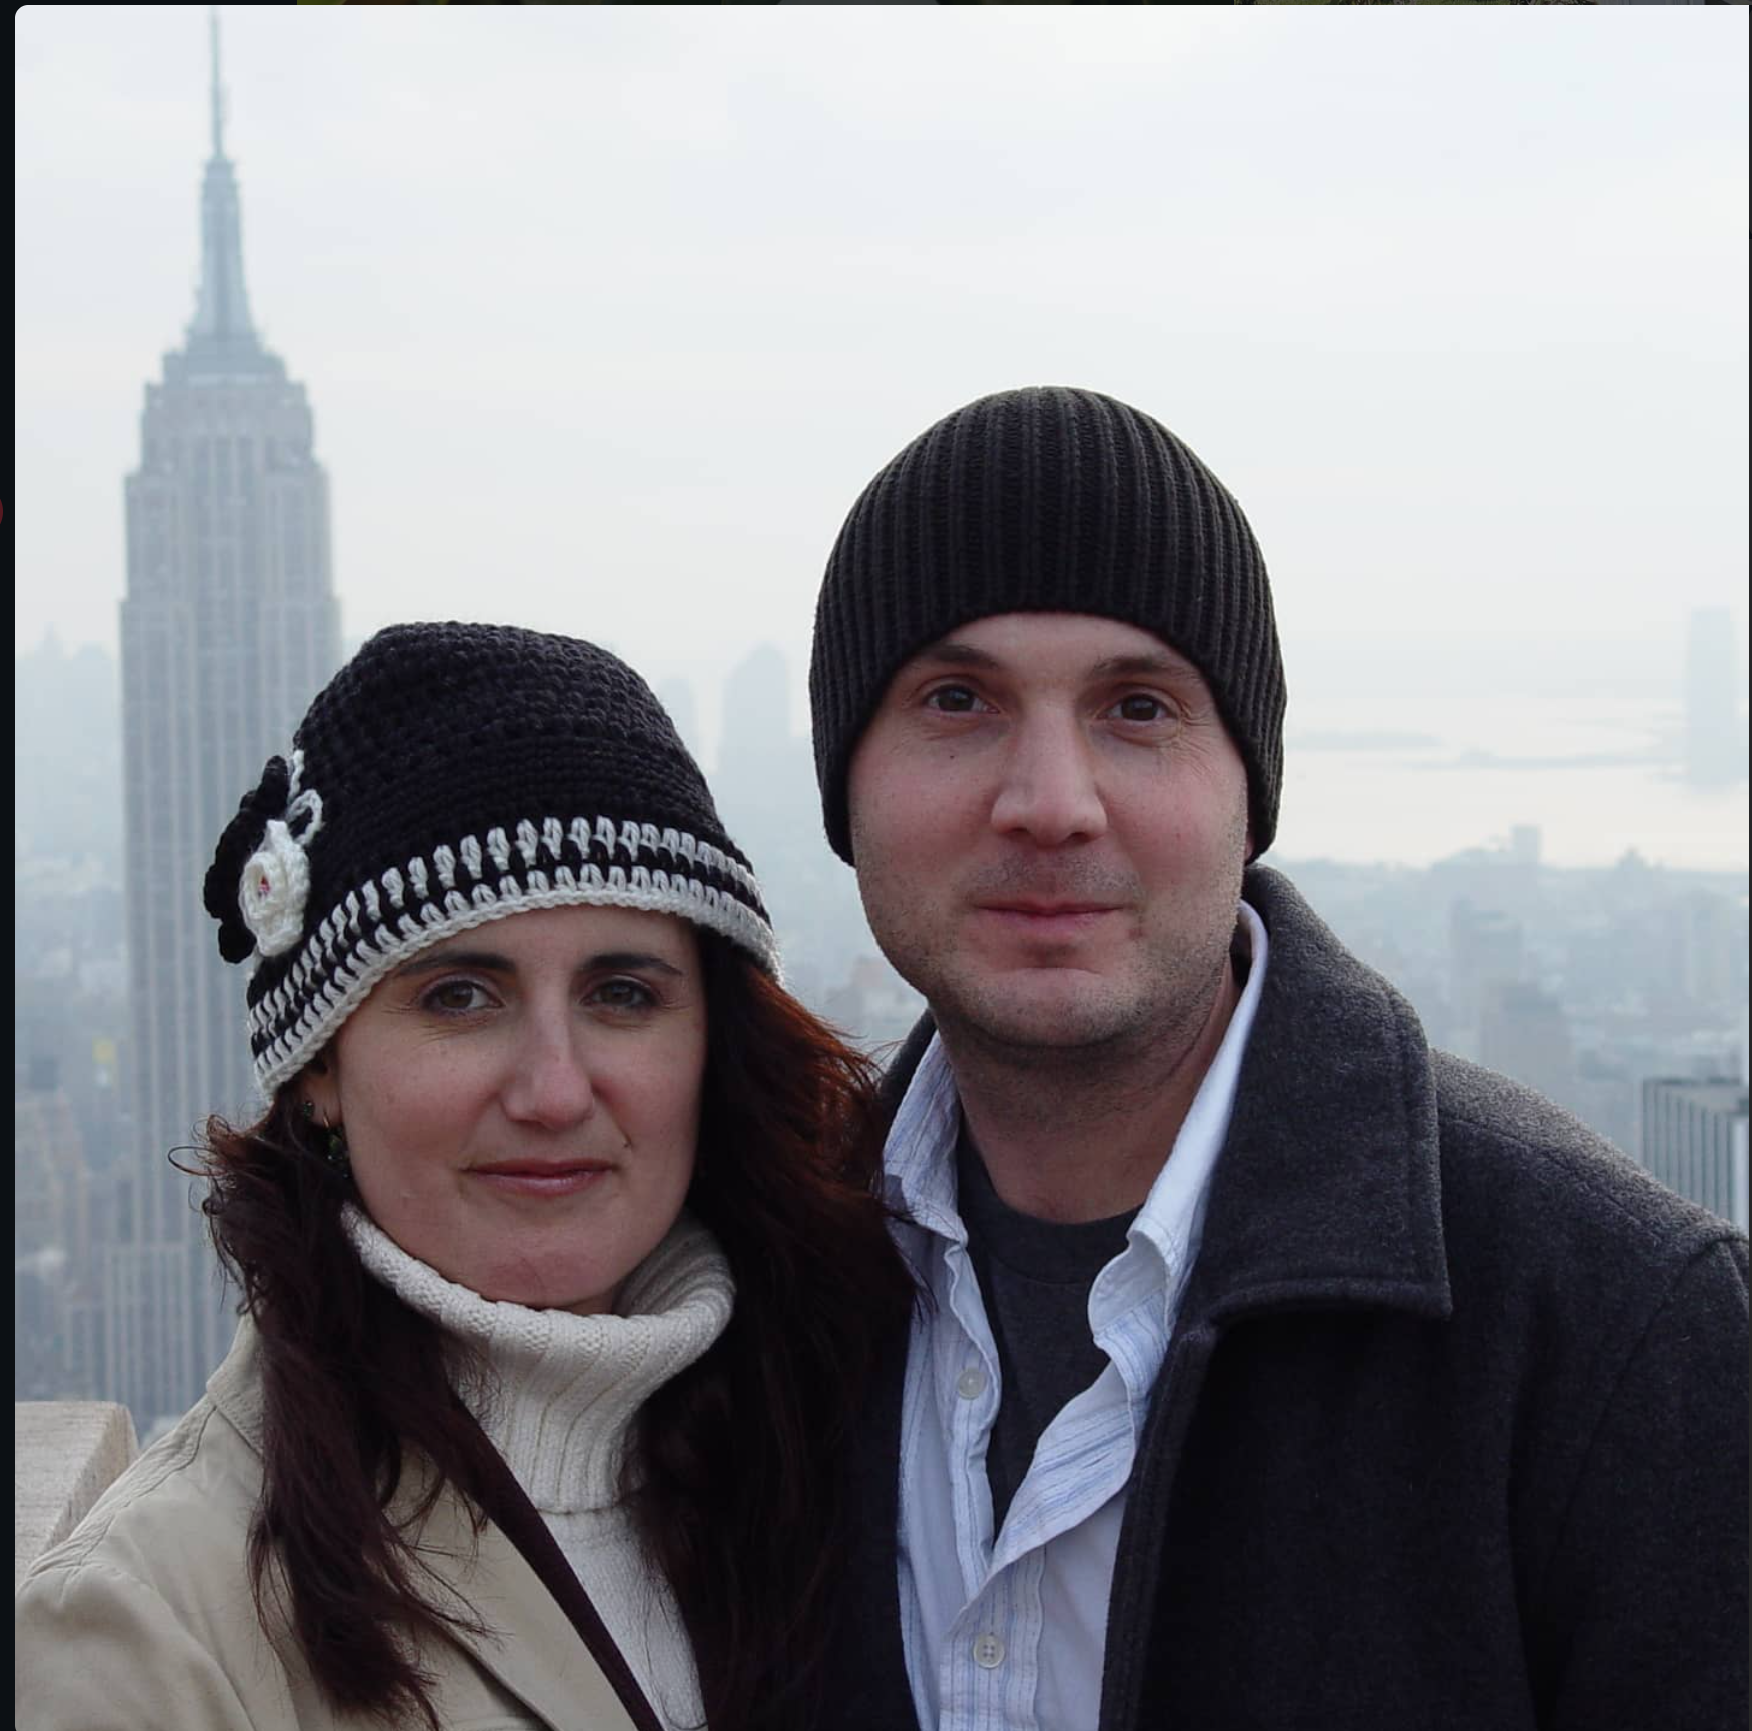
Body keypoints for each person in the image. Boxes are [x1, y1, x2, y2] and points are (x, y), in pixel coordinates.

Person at [804, 386, 1749, 1731]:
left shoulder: (1616, 1328)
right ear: (846, 789)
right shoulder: (771, 1284)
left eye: (1139, 707)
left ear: (1250, 794)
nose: (1052, 804)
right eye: (957, 699)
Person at [15, 622, 913, 1731]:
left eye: (622, 994)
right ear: (319, 1071)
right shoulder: (151, 1636)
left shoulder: (860, 1455)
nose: (553, 1089)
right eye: (459, 997)